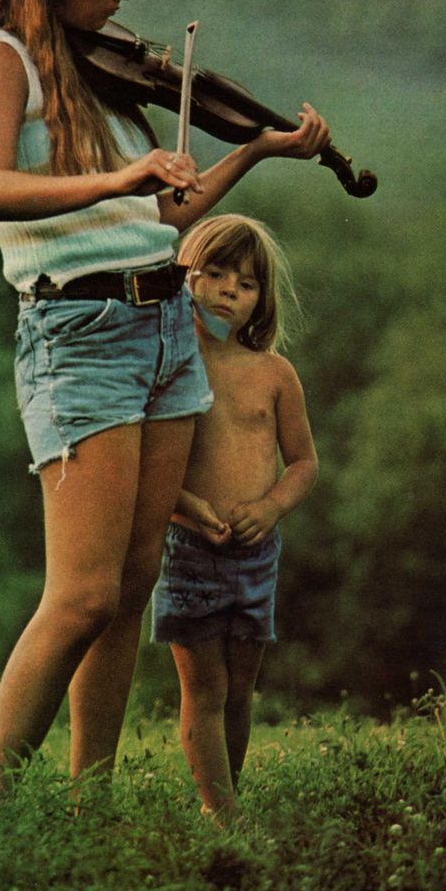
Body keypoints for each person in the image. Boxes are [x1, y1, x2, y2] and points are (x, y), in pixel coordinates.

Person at [0, 0, 329, 815]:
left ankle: (90, 801)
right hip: (81, 332)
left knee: (134, 580)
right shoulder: (1, 58)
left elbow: (166, 211)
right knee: (79, 596)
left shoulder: (92, 68)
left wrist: (256, 151)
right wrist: (120, 174)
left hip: (163, 324)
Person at [151, 214, 319, 822]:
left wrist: (272, 507)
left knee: (241, 689)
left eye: (245, 283)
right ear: (184, 277)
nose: (228, 290)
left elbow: (302, 463)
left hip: (255, 554)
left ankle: (226, 804)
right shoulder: (167, 360)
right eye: (214, 273)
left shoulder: (275, 374)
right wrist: (185, 505)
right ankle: (222, 814)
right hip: (190, 548)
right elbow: (146, 464)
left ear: (261, 299)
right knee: (207, 690)